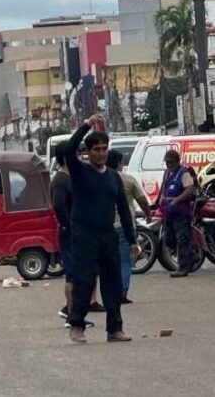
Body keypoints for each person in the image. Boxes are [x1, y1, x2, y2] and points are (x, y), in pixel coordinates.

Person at [65, 114, 140, 344]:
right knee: (85, 280)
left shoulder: (113, 178)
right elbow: (69, 150)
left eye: (104, 149)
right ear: (88, 152)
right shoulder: (80, 173)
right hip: (84, 234)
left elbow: (124, 211)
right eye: (96, 149)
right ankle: (77, 325)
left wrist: (132, 240)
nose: (101, 153)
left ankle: (114, 329)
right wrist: (86, 124)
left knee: (113, 282)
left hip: (107, 234)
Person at [51, 143, 96, 328]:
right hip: (69, 233)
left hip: (78, 231)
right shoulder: (60, 180)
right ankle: (71, 314)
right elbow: (59, 206)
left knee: (80, 274)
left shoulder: (71, 177)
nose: (78, 157)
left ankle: (72, 311)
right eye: (75, 154)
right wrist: (69, 226)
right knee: (72, 275)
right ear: (65, 157)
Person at [106, 150, 150, 303]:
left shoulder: (102, 179)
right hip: (125, 225)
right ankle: (123, 291)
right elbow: (142, 200)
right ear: (119, 163)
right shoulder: (128, 179)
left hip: (107, 226)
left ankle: (111, 291)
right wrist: (148, 213)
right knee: (125, 259)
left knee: (110, 261)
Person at [157, 149, 197, 277]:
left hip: (181, 212)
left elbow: (190, 190)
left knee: (182, 239)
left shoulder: (183, 173)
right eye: (167, 162)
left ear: (177, 161)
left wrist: (177, 200)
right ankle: (192, 256)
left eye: (171, 162)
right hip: (168, 212)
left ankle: (183, 268)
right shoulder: (167, 173)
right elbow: (163, 188)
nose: (169, 165)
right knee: (168, 238)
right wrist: (157, 202)